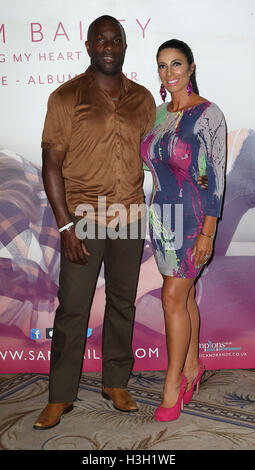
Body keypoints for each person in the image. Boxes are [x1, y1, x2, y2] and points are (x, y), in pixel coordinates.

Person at [33, 15, 157, 430]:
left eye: (115, 39)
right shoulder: (66, 97)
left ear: (125, 46)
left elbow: (157, 156)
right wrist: (66, 226)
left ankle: (115, 382)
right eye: (100, 40)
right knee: (73, 308)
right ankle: (60, 395)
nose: (108, 46)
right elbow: (51, 164)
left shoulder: (142, 99)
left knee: (123, 303)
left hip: (130, 216)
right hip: (84, 218)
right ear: (88, 47)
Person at [140, 39, 226, 421]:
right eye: (162, 65)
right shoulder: (157, 115)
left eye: (176, 64)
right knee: (184, 294)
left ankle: (172, 384)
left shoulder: (208, 114)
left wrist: (208, 232)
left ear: (191, 67)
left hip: (193, 219)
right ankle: (193, 367)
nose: (169, 72)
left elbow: (215, 180)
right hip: (161, 218)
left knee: (172, 298)